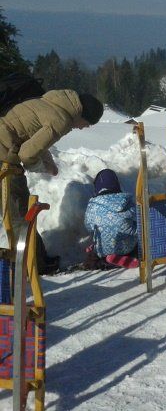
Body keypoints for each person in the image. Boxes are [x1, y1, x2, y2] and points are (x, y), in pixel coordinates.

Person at [0, 89, 104, 274]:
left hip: (5, 150)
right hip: (5, 159)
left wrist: (49, 163)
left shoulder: (53, 104)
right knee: (20, 217)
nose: (84, 128)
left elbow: (34, 137)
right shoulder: (61, 120)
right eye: (87, 123)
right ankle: (34, 266)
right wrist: (41, 167)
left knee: (18, 215)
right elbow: (28, 153)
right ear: (82, 115)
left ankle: (35, 262)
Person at [84, 169, 138, 269]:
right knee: (137, 245)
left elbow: (89, 227)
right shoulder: (126, 201)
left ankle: (104, 261)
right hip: (126, 247)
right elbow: (138, 218)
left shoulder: (92, 206)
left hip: (102, 249)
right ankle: (129, 257)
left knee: (91, 260)